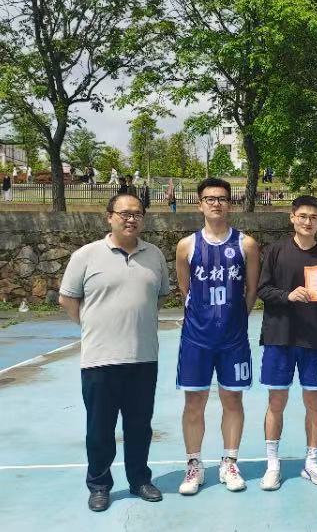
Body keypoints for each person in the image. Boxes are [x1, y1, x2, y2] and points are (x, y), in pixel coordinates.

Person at [58, 193, 170, 512]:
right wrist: (92, 326)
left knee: (139, 426)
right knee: (99, 430)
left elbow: (159, 297)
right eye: (124, 213)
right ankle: (99, 486)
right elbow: (68, 300)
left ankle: (139, 480)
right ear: (109, 217)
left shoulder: (154, 255)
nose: (131, 219)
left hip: (143, 358)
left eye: (137, 214)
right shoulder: (86, 255)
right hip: (99, 360)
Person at [176, 178, 260, 495]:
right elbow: (185, 290)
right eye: (210, 198)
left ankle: (229, 462)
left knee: (233, 399)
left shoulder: (246, 244)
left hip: (233, 339)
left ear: (230, 204)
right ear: (200, 204)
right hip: (196, 339)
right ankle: (194, 464)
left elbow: (251, 291)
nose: (216, 203)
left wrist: (236, 319)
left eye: (222, 198)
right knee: (194, 401)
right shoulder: (187, 246)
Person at [257, 195, 317, 490]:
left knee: (313, 402)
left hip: (313, 339)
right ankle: (272, 464)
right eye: (302, 216)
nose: (308, 221)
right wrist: (287, 295)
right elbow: (262, 289)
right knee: (276, 401)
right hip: (279, 337)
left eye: (313, 217)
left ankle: (312, 463)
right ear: (292, 217)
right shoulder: (276, 251)